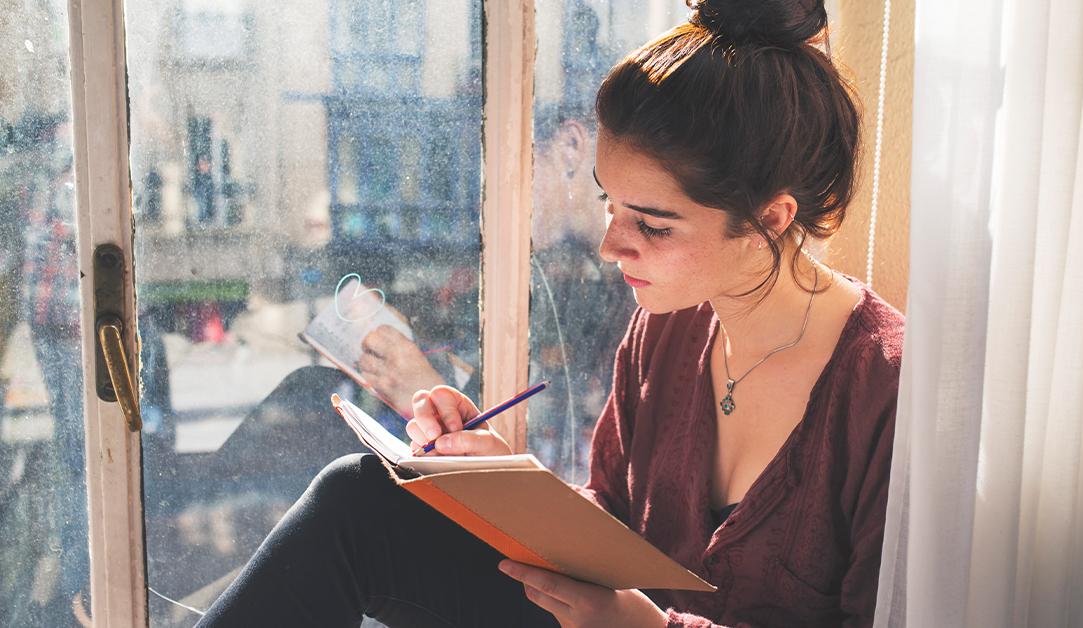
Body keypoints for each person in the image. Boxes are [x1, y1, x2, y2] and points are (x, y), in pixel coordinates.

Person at [198, 0, 902, 626]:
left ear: (770, 219)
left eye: (653, 225)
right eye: (608, 203)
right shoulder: (666, 329)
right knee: (358, 500)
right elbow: (615, 535)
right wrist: (509, 488)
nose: (608, 244)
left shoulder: (883, 390)